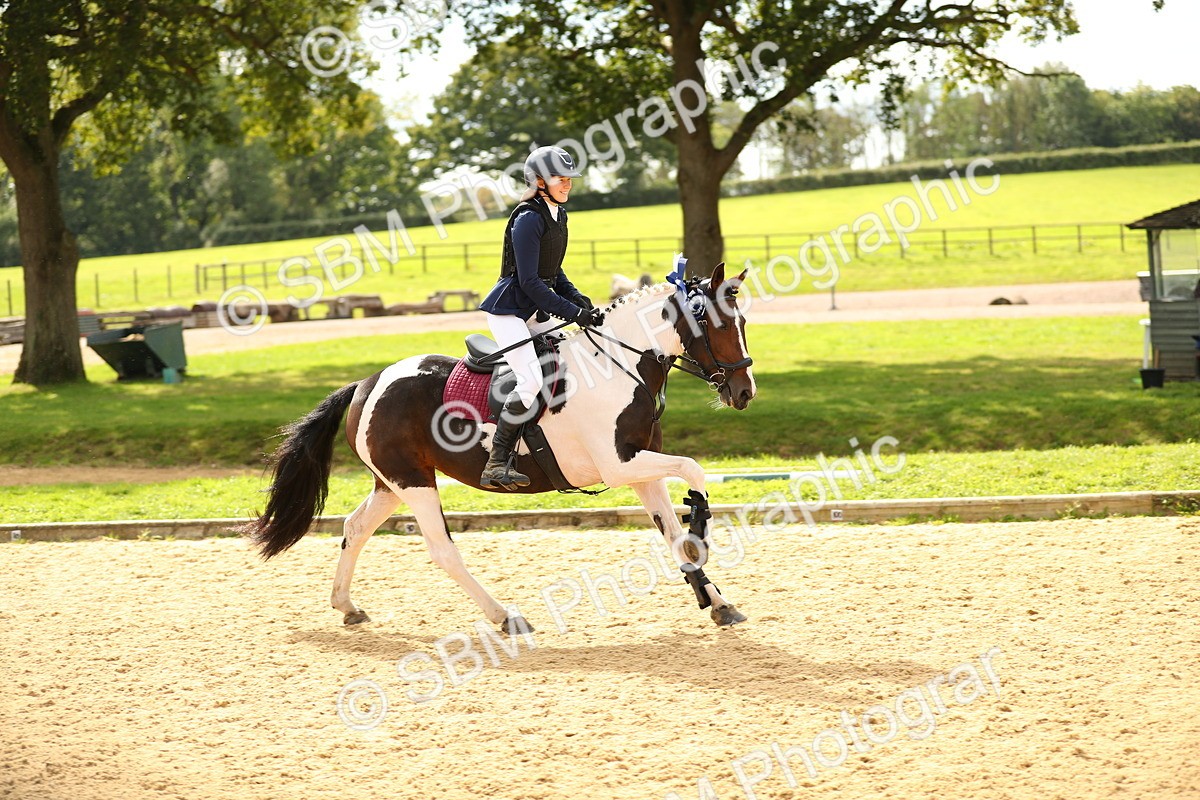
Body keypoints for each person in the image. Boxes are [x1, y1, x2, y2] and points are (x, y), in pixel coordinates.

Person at [477, 145, 605, 489]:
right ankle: (496, 461)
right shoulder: (528, 218)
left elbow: (553, 271)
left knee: (578, 355)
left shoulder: (557, 215)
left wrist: (576, 297)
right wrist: (572, 312)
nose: (567, 184)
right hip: (509, 313)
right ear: (539, 181)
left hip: (535, 310)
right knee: (531, 380)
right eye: (559, 179)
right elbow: (529, 281)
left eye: (569, 179)